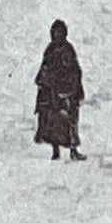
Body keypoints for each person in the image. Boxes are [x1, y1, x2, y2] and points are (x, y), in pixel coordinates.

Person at [34, 20, 85, 161]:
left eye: (60, 32)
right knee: (53, 122)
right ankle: (55, 151)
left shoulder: (68, 49)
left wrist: (76, 88)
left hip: (67, 90)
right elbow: (44, 67)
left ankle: (73, 150)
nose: (58, 34)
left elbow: (74, 70)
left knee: (70, 120)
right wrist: (43, 81)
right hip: (52, 92)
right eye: (55, 32)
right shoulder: (50, 49)